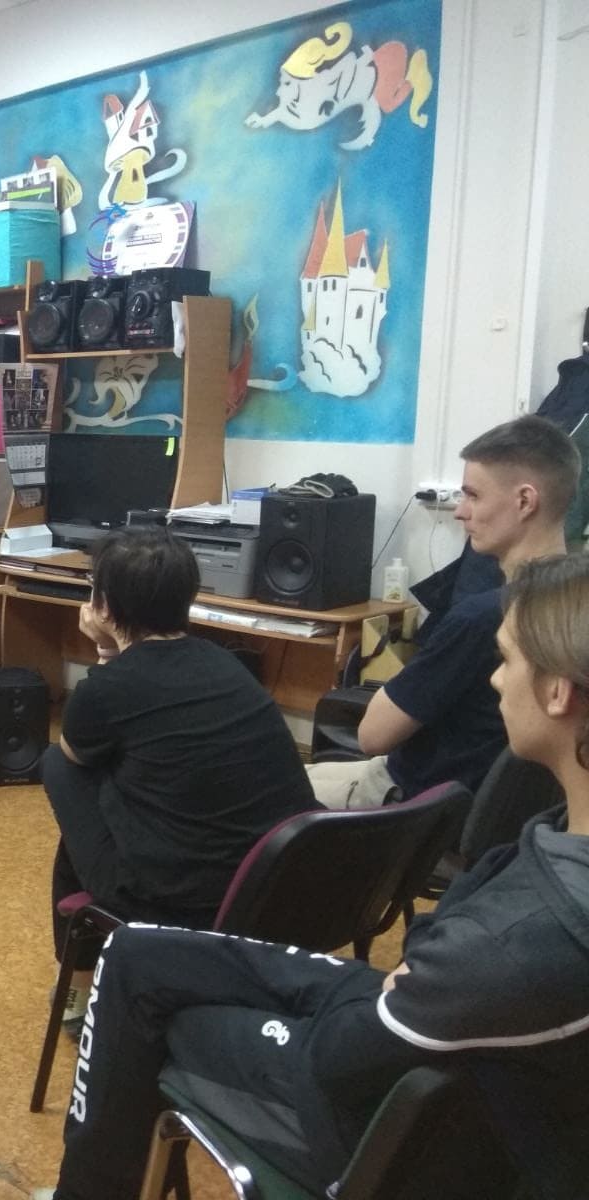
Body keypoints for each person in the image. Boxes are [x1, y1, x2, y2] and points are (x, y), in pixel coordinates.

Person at [38, 552, 589, 1200]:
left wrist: (418, 976)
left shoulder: (526, 939)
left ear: (558, 691)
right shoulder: (555, 827)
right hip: (411, 1007)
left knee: (142, 1009)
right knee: (135, 954)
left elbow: (339, 1058)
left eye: (506, 660)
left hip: (352, 1089)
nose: (495, 679)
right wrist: (421, 972)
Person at [43, 528, 317, 1027]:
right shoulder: (227, 663)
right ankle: (79, 986)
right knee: (91, 815)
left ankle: (75, 993)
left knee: (59, 767)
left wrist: (104, 653)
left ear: (104, 606)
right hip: (275, 886)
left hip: (179, 901)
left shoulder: (107, 689)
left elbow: (77, 755)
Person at [309, 415, 579, 810]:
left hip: (413, 804)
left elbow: (372, 736)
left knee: (260, 794)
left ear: (524, 501)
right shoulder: (573, 607)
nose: (460, 512)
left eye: (473, 496)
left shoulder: (484, 617)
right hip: (492, 809)